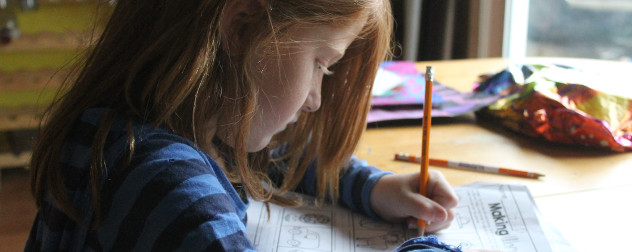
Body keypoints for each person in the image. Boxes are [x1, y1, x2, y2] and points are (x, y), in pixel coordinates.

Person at [26, 0, 459, 251]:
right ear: (242, 26)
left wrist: (372, 186)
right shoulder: (171, 191)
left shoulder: (117, 129)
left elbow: (267, 158)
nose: (315, 99)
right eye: (321, 64)